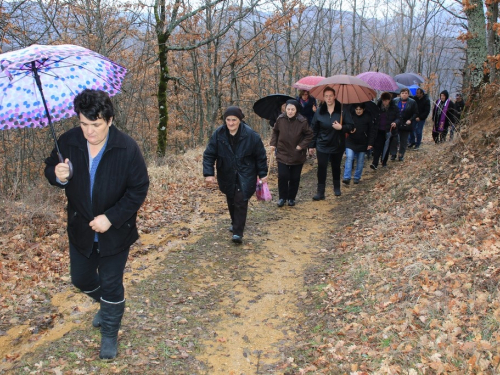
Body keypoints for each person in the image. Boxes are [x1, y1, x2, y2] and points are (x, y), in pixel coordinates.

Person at [44, 89, 150, 360]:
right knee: (80, 278)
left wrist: (111, 218)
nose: (89, 132)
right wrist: (59, 175)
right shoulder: (68, 142)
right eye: (83, 124)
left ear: (110, 120)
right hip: (80, 228)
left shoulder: (127, 148)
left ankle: (110, 335)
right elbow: (49, 169)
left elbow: (139, 189)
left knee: (112, 283)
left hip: (116, 231)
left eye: (96, 124)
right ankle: (106, 303)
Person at [203, 106, 268, 244]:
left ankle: (238, 232)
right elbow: (209, 154)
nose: (231, 123)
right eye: (228, 120)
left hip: (246, 173)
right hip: (226, 173)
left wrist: (262, 173)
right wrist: (209, 173)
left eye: (234, 120)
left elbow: (260, 156)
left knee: (240, 200)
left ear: (240, 120)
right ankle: (235, 222)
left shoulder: (251, 135)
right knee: (231, 199)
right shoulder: (218, 134)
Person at [309, 87, 353, 199]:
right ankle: (320, 192)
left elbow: (351, 126)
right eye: (326, 96)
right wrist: (311, 145)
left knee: (336, 166)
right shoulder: (319, 111)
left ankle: (337, 187)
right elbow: (314, 129)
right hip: (322, 144)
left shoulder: (342, 110)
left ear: (334, 96)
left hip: (337, 143)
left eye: (331, 96)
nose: (328, 98)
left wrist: (341, 127)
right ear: (323, 97)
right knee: (322, 167)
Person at [270, 99, 313, 207]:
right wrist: (273, 144)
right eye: (288, 109)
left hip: (297, 153)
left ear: (296, 110)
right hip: (282, 152)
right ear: (285, 109)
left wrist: (301, 146)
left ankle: (291, 198)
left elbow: (309, 135)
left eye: (292, 109)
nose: (290, 111)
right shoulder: (280, 119)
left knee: (295, 177)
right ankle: (282, 198)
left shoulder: (302, 121)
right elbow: (275, 131)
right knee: (283, 176)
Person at [342, 103, 373, 184]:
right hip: (351, 141)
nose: (358, 111)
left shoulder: (368, 117)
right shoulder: (350, 116)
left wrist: (370, 143)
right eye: (357, 109)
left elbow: (371, 131)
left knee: (360, 160)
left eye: (360, 109)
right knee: (349, 157)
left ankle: (357, 177)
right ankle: (346, 177)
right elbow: (345, 126)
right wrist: (349, 130)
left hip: (363, 142)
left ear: (363, 109)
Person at [369, 92, 400, 170]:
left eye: (386, 100)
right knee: (377, 147)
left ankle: (384, 162)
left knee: (386, 147)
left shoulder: (394, 108)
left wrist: (395, 122)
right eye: (383, 100)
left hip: (389, 131)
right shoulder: (378, 107)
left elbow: (399, 118)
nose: (385, 102)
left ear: (389, 100)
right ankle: (374, 163)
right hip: (379, 131)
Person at [391, 88, 418, 161]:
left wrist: (410, 120)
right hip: (396, 122)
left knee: (404, 140)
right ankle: (393, 154)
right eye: (402, 93)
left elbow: (415, 113)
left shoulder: (412, 102)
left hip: (406, 123)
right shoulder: (395, 101)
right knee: (394, 139)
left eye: (406, 93)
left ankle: (401, 154)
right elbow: (391, 111)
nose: (404, 94)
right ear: (400, 94)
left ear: (408, 94)